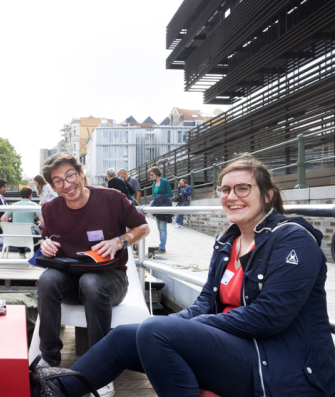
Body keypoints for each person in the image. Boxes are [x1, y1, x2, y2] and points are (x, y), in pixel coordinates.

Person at [55, 155, 335, 397]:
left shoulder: (292, 240)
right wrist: (173, 325)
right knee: (127, 336)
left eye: (243, 188)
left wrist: (187, 328)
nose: (231, 196)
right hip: (237, 347)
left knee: (156, 331)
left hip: (277, 365)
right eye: (225, 189)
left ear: (267, 194)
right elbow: (204, 303)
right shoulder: (227, 241)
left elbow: (269, 316)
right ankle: (53, 390)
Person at [37, 153, 150, 396]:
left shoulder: (111, 198)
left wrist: (120, 241)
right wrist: (44, 244)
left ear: (81, 174)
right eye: (58, 181)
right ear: (53, 186)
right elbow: (48, 239)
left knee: (91, 282)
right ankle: (49, 360)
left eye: (70, 175)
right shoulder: (50, 208)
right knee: (46, 279)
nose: (67, 184)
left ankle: (99, 368)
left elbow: (143, 227)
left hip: (111, 279)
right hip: (69, 277)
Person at [0, 187, 44, 258]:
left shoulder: (13, 206)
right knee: (38, 231)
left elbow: (2, 219)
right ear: (30, 196)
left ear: (21, 196)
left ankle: (22, 252)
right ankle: (36, 253)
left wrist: (9, 229)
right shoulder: (34, 205)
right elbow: (43, 221)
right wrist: (39, 226)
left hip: (16, 237)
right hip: (30, 237)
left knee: (18, 231)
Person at [148, 166, 173, 254]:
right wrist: (153, 209)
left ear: (156, 173)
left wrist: (161, 197)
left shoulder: (165, 182)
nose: (151, 177)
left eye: (152, 175)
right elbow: (154, 197)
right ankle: (161, 246)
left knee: (162, 228)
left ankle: (162, 247)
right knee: (159, 228)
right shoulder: (154, 183)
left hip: (163, 206)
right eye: (150, 175)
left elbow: (170, 194)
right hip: (157, 207)